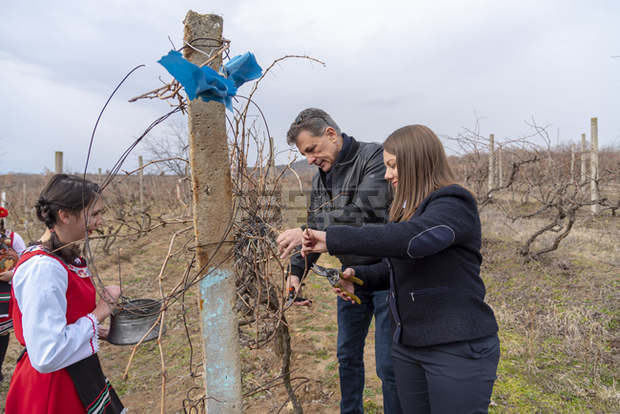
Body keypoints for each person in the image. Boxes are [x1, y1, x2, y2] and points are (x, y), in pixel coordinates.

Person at [302, 124, 501, 413]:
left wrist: (331, 238)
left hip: (456, 348)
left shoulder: (454, 202)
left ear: (417, 162)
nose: (387, 175)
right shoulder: (411, 210)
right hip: (410, 347)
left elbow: (412, 242)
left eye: (393, 166)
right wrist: (358, 279)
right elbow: (397, 266)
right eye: (386, 166)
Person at [277, 108, 401, 413]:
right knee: (346, 356)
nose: (309, 159)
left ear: (331, 134)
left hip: (388, 275)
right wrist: (296, 274)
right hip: (350, 278)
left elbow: (365, 210)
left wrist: (308, 229)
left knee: (389, 366)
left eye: (311, 149)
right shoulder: (321, 180)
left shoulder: (374, 158)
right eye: (304, 154)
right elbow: (314, 230)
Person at [5, 174, 125, 413]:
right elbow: (47, 353)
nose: (100, 222)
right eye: (94, 214)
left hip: (77, 372)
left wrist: (98, 332)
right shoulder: (43, 269)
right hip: (54, 387)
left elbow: (60, 320)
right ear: (65, 215)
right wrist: (99, 312)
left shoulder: (62, 256)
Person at [0, 206, 27, 383]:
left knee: (1, 332)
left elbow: (26, 262)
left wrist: (13, 274)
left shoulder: (12, 238)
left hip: (3, 290)